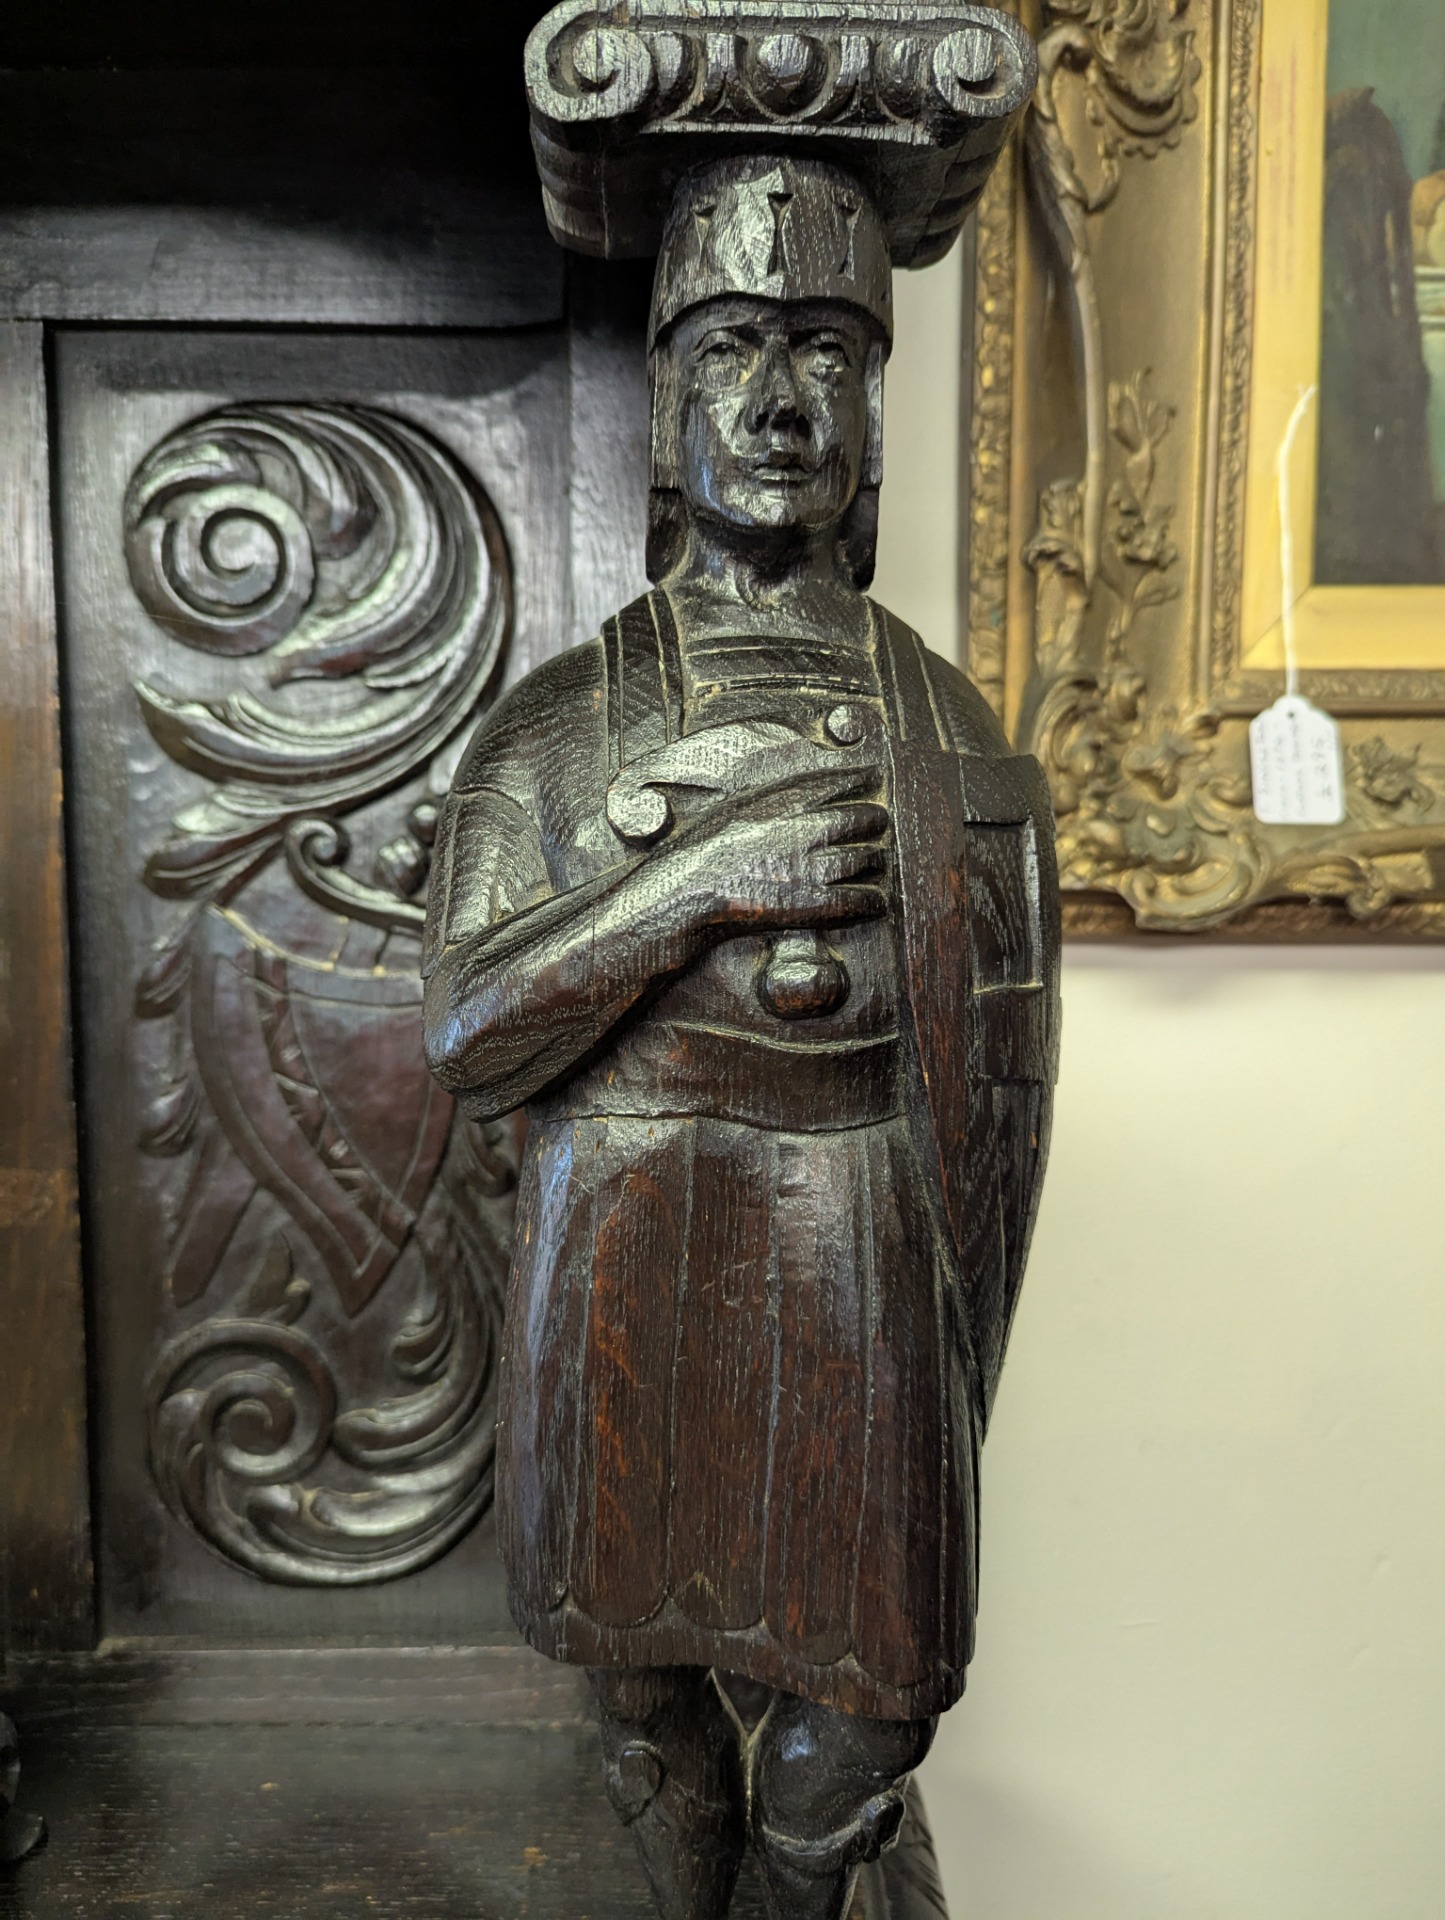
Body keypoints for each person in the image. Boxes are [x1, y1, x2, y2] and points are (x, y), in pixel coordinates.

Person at [423, 155, 1058, 1920]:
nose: (780, 403)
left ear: (871, 403)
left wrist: (958, 1347)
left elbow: (1002, 1094)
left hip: (857, 1234)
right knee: (639, 1682)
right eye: (728, 349)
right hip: (627, 1230)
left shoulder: (942, 724)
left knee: (871, 1705)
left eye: (826, 351)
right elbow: (470, 1032)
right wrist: (693, 884)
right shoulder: (558, 726)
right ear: (663, 401)